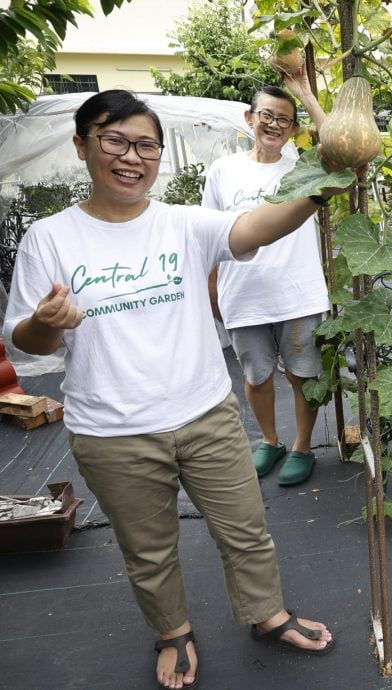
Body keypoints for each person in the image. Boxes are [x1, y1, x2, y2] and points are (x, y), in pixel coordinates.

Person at [2, 89, 341, 689]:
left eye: (146, 145)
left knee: (245, 529)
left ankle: (266, 614)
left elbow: (256, 225)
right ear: (83, 146)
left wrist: (320, 186)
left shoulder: (185, 223)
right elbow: (27, 342)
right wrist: (43, 323)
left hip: (206, 414)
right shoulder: (49, 239)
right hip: (112, 432)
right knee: (149, 551)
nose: (132, 156)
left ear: (159, 156)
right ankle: (173, 632)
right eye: (114, 140)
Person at [203, 76, 330, 487]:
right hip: (242, 296)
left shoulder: (306, 170)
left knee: (303, 376)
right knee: (255, 376)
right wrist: (212, 294)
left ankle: (303, 447)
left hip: (298, 294)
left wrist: (307, 95)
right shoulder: (223, 171)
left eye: (285, 120)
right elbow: (210, 235)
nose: (274, 125)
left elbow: (343, 150)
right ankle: (271, 441)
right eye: (267, 116)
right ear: (249, 118)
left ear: (294, 129)